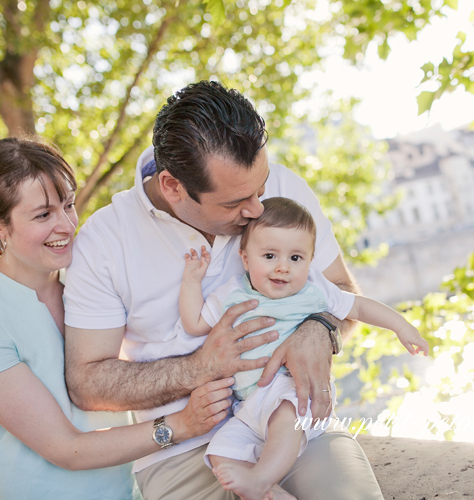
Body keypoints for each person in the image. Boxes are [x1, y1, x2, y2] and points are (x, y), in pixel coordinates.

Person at [63, 80, 386, 499]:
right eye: (235, 203)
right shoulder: (105, 240)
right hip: (179, 452)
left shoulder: (285, 188)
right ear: (173, 187)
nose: (256, 209)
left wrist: (320, 329)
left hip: (291, 421)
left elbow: (341, 290)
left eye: (261, 188)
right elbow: (86, 383)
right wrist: (200, 366)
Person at [0, 137, 233, 500]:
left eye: (68, 205)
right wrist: (181, 424)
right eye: (43, 215)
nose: (66, 225)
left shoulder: (88, 280)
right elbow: (65, 448)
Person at [178, 197, 430, 500]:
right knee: (221, 450)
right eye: (270, 256)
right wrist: (192, 280)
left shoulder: (314, 290)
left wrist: (401, 326)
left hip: (299, 390)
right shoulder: (231, 293)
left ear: (310, 261)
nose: (283, 267)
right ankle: (269, 490)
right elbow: (194, 323)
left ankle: (260, 479)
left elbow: (358, 307)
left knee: (286, 415)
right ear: (246, 258)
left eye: (295, 258)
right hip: (247, 407)